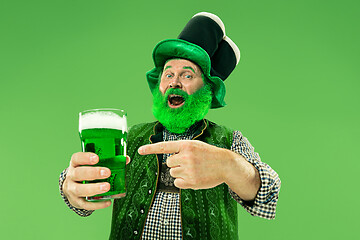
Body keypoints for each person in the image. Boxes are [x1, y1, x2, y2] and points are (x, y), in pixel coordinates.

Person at [59, 12, 281, 240]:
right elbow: (91, 191)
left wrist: (230, 165)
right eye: (168, 74)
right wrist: (72, 187)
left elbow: (269, 194)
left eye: (187, 75)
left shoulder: (229, 140)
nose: (174, 82)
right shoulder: (129, 137)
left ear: (206, 90)